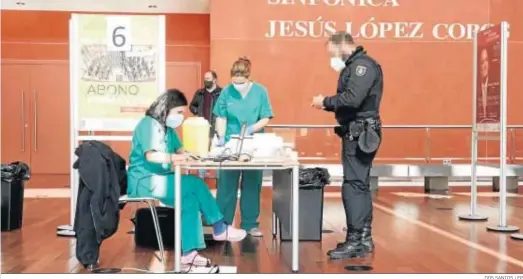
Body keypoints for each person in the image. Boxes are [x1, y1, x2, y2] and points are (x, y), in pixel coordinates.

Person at [127, 89, 247, 267]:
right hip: (145, 180)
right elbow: (151, 156)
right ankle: (219, 227)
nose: (181, 117)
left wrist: (197, 156)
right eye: (179, 112)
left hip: (162, 179)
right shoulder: (148, 125)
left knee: (189, 200)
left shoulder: (168, 129)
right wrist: (173, 158)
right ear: (166, 108)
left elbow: (180, 150)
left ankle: (189, 253)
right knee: (195, 184)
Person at [311, 31, 383, 259]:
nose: (332, 58)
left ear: (341, 45)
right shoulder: (357, 65)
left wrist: (325, 102)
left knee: (353, 185)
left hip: (360, 131)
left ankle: (356, 240)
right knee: (358, 184)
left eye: (332, 52)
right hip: (357, 130)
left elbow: (352, 99)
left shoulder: (362, 66)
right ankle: (364, 238)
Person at [213, 57, 274, 237]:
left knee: (252, 184)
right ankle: (223, 224)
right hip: (231, 143)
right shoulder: (226, 92)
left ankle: (249, 224)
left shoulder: (260, 92)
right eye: (234, 82)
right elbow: (221, 116)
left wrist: (252, 128)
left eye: (241, 82)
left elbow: (266, 117)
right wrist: (221, 137)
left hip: (253, 142)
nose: (237, 85)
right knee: (226, 185)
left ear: (249, 78)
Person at [189, 71, 222, 178]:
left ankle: (219, 181)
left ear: (214, 79)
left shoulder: (221, 93)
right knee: (201, 156)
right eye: (205, 78)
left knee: (217, 156)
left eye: (208, 78)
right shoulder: (200, 93)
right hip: (202, 129)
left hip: (217, 129)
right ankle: (201, 180)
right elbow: (192, 106)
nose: (206, 80)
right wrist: (197, 112)